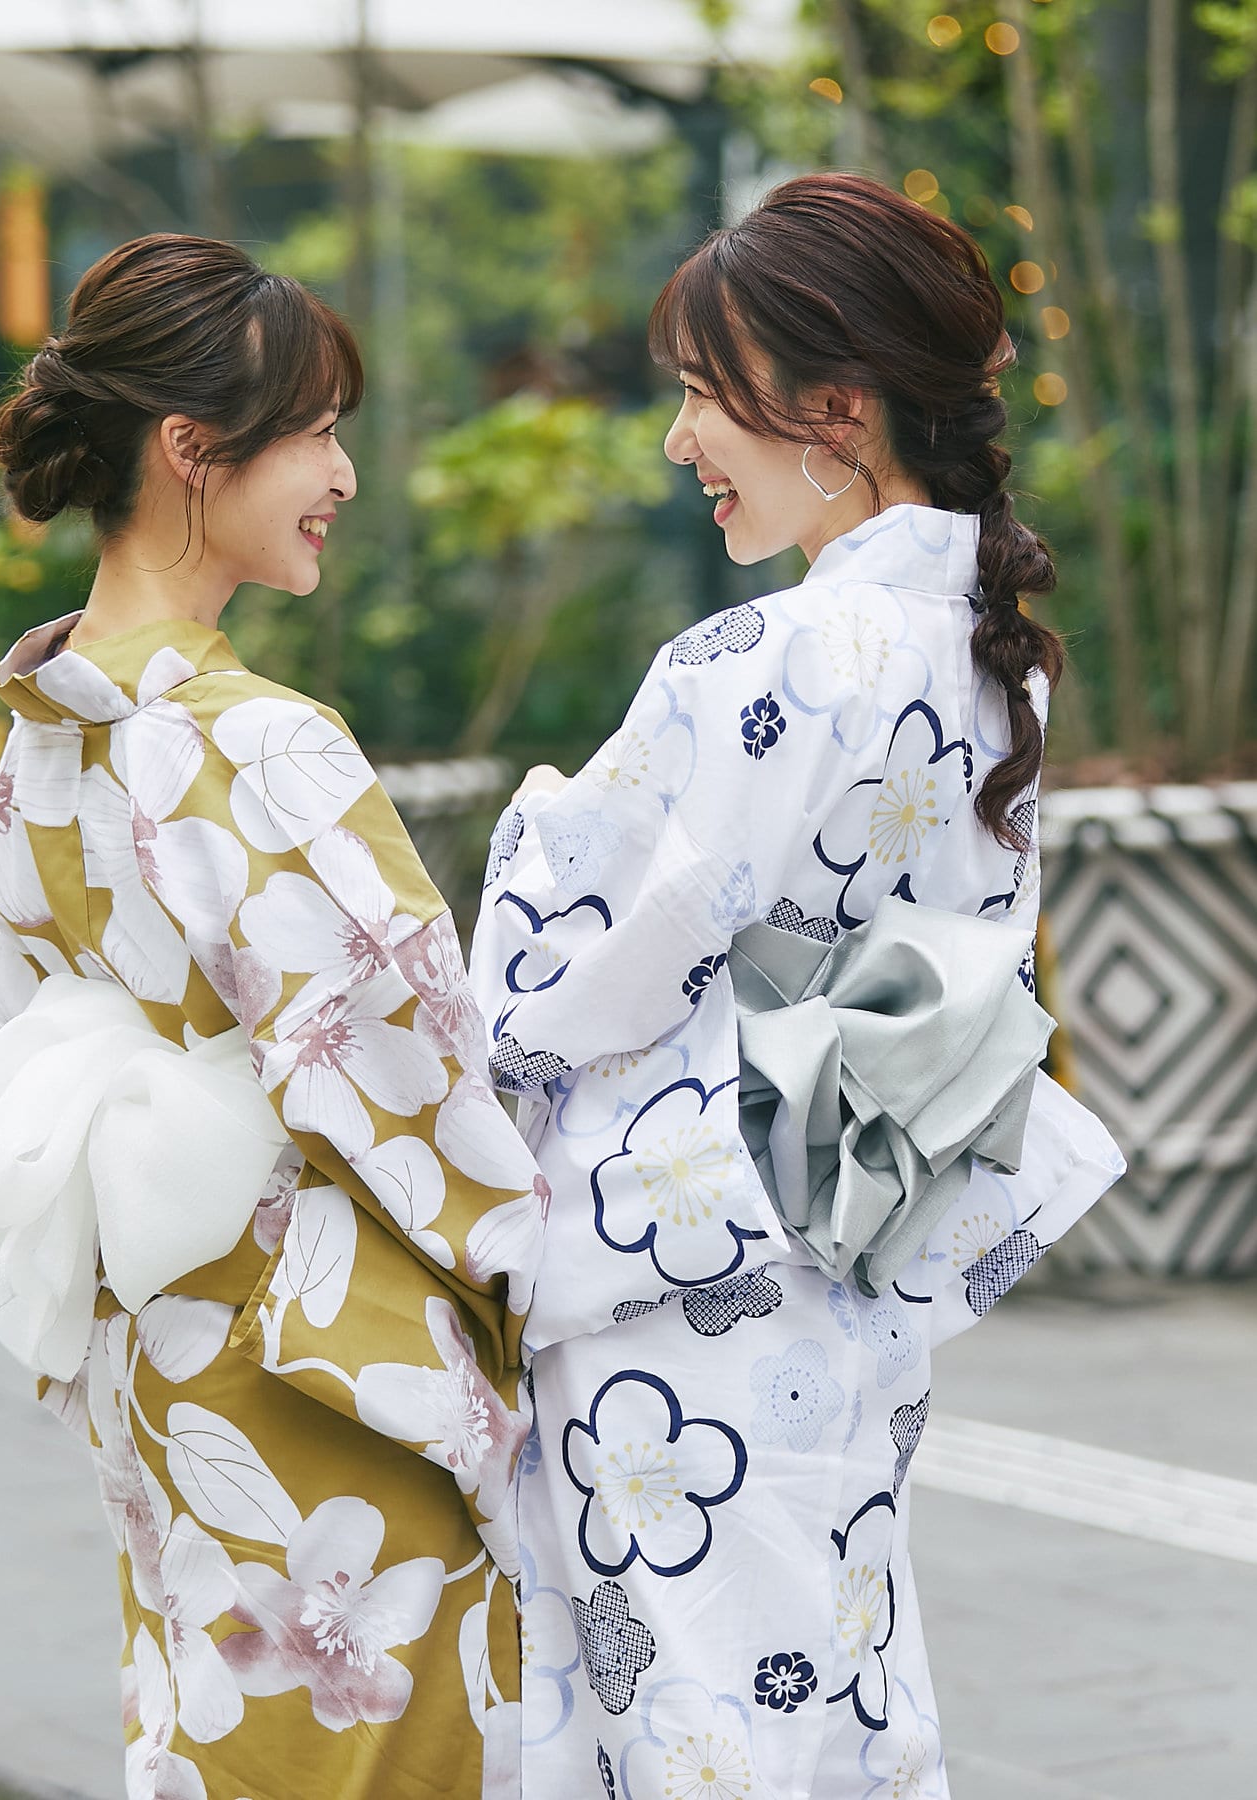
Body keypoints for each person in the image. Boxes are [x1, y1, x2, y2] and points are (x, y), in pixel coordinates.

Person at [468, 174, 1125, 1799]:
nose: (679, 438)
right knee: (832, 1691)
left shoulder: (764, 662)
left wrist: (539, 826)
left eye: (705, 392)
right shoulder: (988, 657)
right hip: (850, 1245)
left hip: (676, 1266)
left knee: (682, 1722)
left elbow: (590, 966)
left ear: (836, 409)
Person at [0, 235, 544, 1800]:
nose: (344, 474)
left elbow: (12, 1028)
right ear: (191, 450)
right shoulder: (255, 743)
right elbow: (413, 1063)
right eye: (315, 433)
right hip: (319, 1360)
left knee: (221, 1744)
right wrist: (533, 1284)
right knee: (379, 1751)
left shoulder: (41, 741)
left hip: (160, 1345)